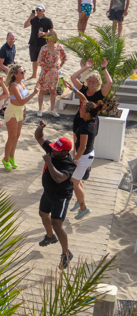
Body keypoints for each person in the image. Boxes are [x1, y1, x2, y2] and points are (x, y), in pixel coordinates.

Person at [34, 121, 76, 269]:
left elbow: (59, 178)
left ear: (65, 152)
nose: (53, 151)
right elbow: (39, 137)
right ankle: (50, 237)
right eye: (53, 148)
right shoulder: (53, 150)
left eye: (57, 150)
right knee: (43, 213)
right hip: (48, 192)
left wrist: (49, 162)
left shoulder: (69, 164)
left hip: (61, 196)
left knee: (57, 224)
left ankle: (66, 254)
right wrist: (40, 128)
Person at [64, 84, 103, 220]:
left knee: (74, 181)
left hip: (84, 156)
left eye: (82, 109)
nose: (80, 109)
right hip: (88, 154)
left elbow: (82, 146)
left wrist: (75, 159)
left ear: (87, 114)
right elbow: (84, 99)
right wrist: (73, 89)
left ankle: (83, 208)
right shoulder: (94, 118)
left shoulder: (86, 127)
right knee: (77, 179)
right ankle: (79, 201)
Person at [2, 65, 40, 171]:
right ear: (15, 75)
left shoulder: (23, 82)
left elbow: (23, 101)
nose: (24, 73)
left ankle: (12, 157)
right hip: (12, 111)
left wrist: (24, 110)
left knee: (17, 136)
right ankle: (5, 159)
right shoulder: (13, 86)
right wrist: (34, 93)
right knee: (12, 137)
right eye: (22, 72)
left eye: (24, 71)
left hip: (20, 110)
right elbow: (21, 101)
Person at [68, 58, 112, 142]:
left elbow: (109, 82)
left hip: (91, 121)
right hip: (79, 117)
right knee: (76, 143)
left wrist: (104, 68)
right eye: (89, 81)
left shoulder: (100, 93)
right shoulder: (83, 88)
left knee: (88, 144)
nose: (91, 83)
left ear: (98, 83)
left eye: (93, 82)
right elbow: (73, 77)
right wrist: (86, 67)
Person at [36, 30, 67, 118]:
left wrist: (60, 65)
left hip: (55, 73)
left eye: (52, 38)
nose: (50, 40)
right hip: (45, 72)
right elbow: (39, 61)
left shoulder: (59, 47)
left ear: (55, 38)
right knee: (42, 90)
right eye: (49, 38)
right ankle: (40, 109)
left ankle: (52, 110)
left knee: (53, 91)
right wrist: (48, 65)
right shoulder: (44, 48)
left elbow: (64, 57)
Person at [24, 4, 54, 79]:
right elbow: (25, 25)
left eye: (39, 10)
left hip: (43, 43)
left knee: (43, 60)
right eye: (37, 10)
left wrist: (44, 33)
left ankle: (43, 75)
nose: (38, 11)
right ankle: (34, 75)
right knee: (34, 60)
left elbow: (52, 33)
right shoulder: (33, 19)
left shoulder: (47, 20)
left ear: (43, 11)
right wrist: (30, 17)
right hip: (33, 42)